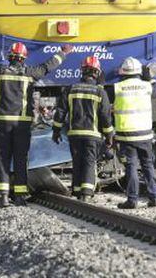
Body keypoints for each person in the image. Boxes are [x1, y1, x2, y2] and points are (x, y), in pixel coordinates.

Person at [0, 37, 72, 207]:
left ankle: (3, 196)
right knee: (21, 158)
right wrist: (63, 53)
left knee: (2, 158)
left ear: (10, 58)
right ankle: (20, 197)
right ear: (23, 59)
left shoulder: (0, 71)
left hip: (3, 123)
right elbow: (47, 67)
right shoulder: (30, 73)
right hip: (22, 123)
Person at [52, 56, 114, 202]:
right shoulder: (100, 93)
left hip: (74, 134)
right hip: (92, 135)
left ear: (82, 71)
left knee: (77, 161)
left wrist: (56, 131)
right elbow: (105, 116)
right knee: (89, 162)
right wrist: (109, 134)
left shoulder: (71, 89)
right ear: (97, 73)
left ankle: (77, 190)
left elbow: (60, 112)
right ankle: (86, 193)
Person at [112, 57, 156, 209]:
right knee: (148, 165)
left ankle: (132, 200)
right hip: (145, 134)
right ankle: (154, 196)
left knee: (131, 166)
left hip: (126, 135)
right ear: (139, 72)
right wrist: (151, 78)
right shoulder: (146, 86)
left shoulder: (118, 87)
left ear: (124, 72)